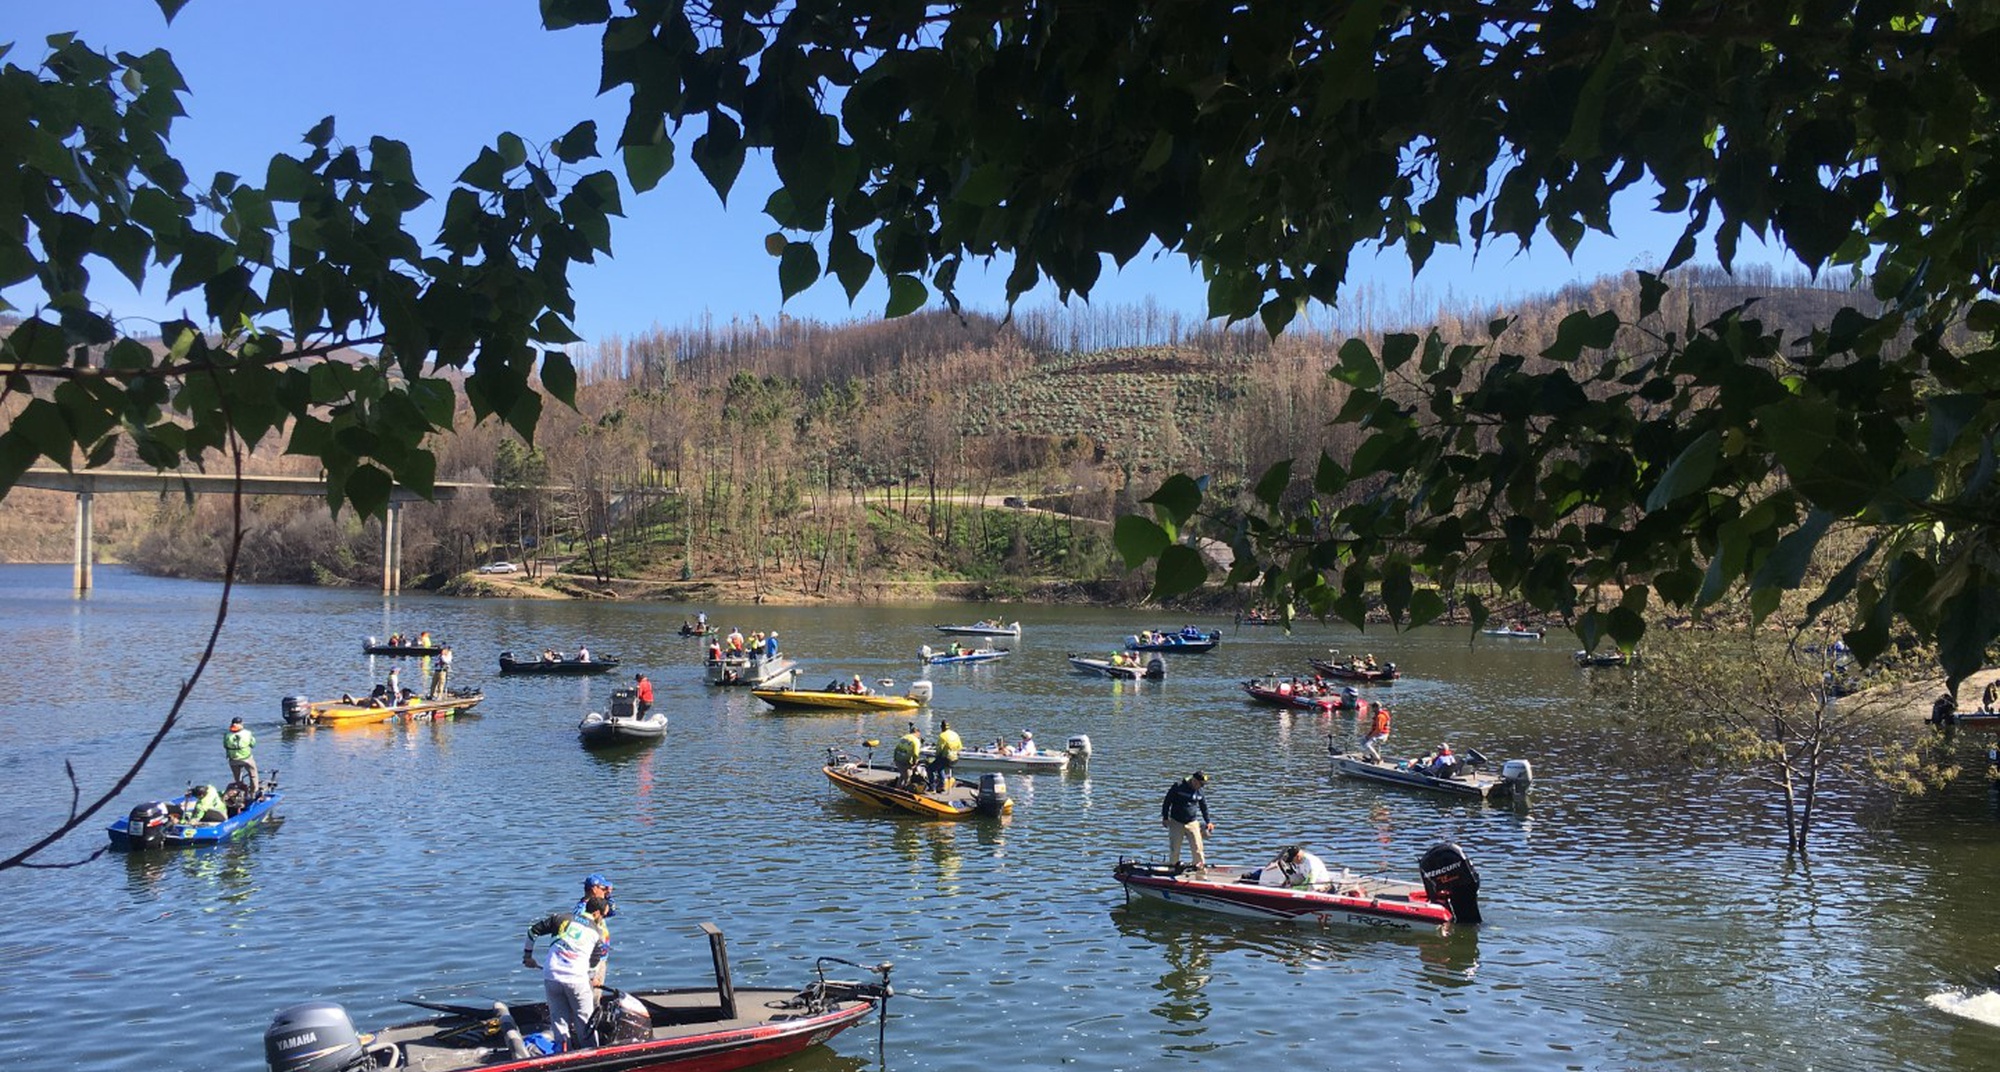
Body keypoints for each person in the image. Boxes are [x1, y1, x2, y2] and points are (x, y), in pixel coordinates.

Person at [524, 896, 611, 1053]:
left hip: (551, 975)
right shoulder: (597, 934)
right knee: (585, 1023)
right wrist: (593, 979)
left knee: (559, 1021)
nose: (603, 919)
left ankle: (563, 1055)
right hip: (577, 979)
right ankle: (592, 1055)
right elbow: (593, 964)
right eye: (603, 915)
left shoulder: (561, 918)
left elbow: (532, 931)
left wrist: (528, 957)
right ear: (597, 913)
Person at [1160, 771, 1213, 871]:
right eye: (1200, 784)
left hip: (1192, 822)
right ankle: (1172, 870)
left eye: (1203, 784)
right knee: (1175, 849)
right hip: (1176, 822)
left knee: (1198, 848)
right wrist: (1165, 817)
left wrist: (1208, 821)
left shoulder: (1200, 791)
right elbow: (1167, 802)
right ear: (1194, 780)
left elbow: (1203, 807)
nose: (1201, 786)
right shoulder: (1178, 786)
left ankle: (1200, 870)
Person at [1259, 844, 1333, 888]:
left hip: (1318, 887)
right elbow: (1299, 877)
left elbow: (1310, 883)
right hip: (1306, 882)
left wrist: (1293, 889)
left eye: (1292, 860)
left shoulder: (1311, 863)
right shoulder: (1300, 862)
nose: (1292, 862)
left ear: (1298, 857)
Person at [224, 717, 258, 796]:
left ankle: (240, 793)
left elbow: (225, 746)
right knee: (253, 775)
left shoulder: (227, 734)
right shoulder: (247, 733)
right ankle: (254, 792)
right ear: (241, 724)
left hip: (233, 760)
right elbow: (253, 744)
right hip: (246, 759)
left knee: (237, 779)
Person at [929, 720, 963, 792]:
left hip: (946, 758)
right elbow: (959, 747)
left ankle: (932, 788)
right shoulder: (955, 734)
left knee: (930, 769)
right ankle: (942, 785)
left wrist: (936, 756)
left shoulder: (942, 736)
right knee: (939, 767)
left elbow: (939, 749)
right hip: (954, 759)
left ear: (941, 727)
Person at [893, 723, 923, 788]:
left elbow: (896, 748)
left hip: (898, 759)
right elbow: (915, 754)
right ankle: (904, 790)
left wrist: (894, 759)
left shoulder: (903, 737)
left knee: (903, 774)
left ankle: (898, 787)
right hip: (905, 761)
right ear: (917, 733)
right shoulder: (916, 741)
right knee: (908, 777)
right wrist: (915, 763)